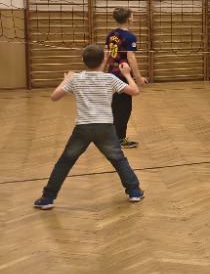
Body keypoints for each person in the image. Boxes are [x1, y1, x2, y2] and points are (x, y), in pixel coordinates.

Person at [33, 44, 145, 209]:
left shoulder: (76, 79)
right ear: (104, 59)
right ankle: (134, 191)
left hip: (83, 128)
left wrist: (66, 79)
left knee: (65, 162)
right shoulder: (110, 78)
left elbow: (54, 97)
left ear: (83, 60)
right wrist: (127, 74)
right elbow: (135, 91)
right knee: (118, 160)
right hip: (105, 127)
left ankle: (47, 198)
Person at [105, 6, 148, 148]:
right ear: (129, 19)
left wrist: (103, 73)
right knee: (123, 109)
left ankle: (112, 136)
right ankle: (119, 139)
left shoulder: (111, 35)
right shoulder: (130, 37)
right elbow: (131, 57)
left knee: (116, 107)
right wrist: (138, 78)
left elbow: (106, 55)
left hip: (112, 73)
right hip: (123, 75)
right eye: (132, 15)